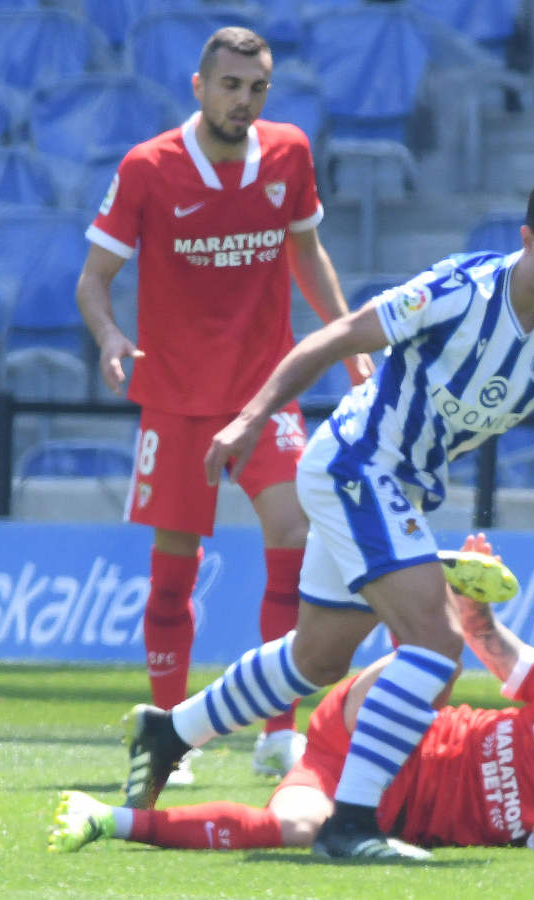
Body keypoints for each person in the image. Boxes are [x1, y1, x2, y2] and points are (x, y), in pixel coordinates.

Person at [114, 169, 534, 859]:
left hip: (399, 488)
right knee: (435, 648)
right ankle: (351, 823)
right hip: (357, 464)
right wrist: (251, 419)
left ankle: (170, 732)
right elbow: (340, 336)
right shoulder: (459, 289)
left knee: (318, 658)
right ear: (527, 239)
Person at [75, 26, 372, 781]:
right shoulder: (148, 167)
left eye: (257, 88)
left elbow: (306, 252)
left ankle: (279, 730)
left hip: (265, 388)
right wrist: (110, 335)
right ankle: (168, 736)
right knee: (173, 570)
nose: (244, 100)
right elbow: (93, 279)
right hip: (174, 398)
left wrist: (350, 346)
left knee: (293, 533)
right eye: (231, 85)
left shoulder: (289, 154)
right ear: (199, 87)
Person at [48, 537, 534, 855]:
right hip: (377, 724)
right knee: (437, 655)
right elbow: (484, 636)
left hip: (359, 793)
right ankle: (409, 573)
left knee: (293, 828)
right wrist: (469, 598)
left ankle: (106, 818)